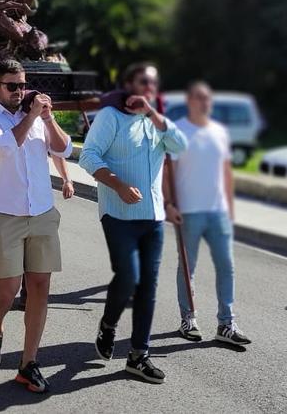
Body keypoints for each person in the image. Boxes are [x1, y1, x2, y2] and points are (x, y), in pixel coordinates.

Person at [78, 62, 187, 384]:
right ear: (128, 84)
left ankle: (139, 355)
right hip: (119, 214)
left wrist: (153, 113)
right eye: (143, 83)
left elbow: (181, 146)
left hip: (153, 218)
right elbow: (89, 156)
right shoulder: (110, 118)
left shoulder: (156, 121)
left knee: (147, 288)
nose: (149, 89)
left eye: (153, 84)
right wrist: (119, 185)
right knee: (128, 278)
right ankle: (109, 325)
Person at [0, 60, 74, 394]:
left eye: (22, 85)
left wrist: (47, 117)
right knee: (7, 289)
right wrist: (30, 116)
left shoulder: (38, 117)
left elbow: (64, 148)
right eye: (11, 86)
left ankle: (29, 363)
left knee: (40, 286)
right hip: (5, 215)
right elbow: (4, 148)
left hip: (42, 212)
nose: (19, 91)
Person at [167, 81, 251, 346]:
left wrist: (230, 208)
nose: (204, 103)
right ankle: (188, 319)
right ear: (190, 101)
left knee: (227, 266)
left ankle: (226, 323)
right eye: (199, 98)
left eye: (207, 99)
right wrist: (169, 204)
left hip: (218, 212)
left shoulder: (219, 132)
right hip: (189, 211)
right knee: (187, 268)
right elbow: (167, 171)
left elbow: (226, 171)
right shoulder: (178, 131)